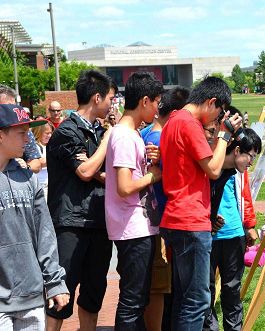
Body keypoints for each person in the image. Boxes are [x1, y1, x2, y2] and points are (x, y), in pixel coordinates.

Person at [160, 76, 242, 329]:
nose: (217, 122)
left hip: (175, 218)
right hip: (190, 222)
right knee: (197, 300)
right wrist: (225, 136)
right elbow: (214, 169)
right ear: (212, 102)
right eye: (218, 115)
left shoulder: (173, 120)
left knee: (183, 299)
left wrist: (218, 133)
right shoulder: (189, 124)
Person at [45, 70, 116, 331]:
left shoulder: (98, 131)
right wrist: (107, 142)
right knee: (61, 295)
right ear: (97, 97)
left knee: (93, 295)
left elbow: (105, 173)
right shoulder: (67, 131)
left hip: (99, 223)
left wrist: (97, 162)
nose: (112, 104)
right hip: (71, 224)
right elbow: (85, 172)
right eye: (110, 98)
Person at [0, 104, 70, 330]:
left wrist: (55, 282)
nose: (28, 139)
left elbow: (44, 232)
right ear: (1, 134)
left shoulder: (28, 177)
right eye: (21, 133)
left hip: (31, 296)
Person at [105, 72, 163, 330]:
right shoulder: (125, 136)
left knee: (137, 299)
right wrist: (153, 175)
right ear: (145, 101)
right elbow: (125, 186)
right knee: (132, 300)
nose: (158, 109)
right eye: (157, 102)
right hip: (132, 229)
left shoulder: (132, 135)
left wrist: (147, 161)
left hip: (137, 226)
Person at [204, 122, 262, 331]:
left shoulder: (237, 171)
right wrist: (209, 216)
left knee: (232, 290)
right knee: (206, 292)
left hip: (233, 234)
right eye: (251, 156)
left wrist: (249, 225)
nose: (251, 163)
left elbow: (245, 196)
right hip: (208, 237)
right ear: (237, 150)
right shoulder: (211, 164)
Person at [140, 86, 190, 331]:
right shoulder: (162, 137)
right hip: (166, 218)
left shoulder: (145, 133)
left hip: (151, 216)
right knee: (165, 285)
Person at [0, 84, 43, 173]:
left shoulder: (24, 131)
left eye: (14, 106)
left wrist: (24, 167)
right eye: (6, 107)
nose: (12, 111)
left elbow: (36, 163)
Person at [31, 121, 55, 199]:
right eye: (47, 133)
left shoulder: (51, 146)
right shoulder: (34, 147)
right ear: (39, 132)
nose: (50, 135)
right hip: (39, 186)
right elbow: (39, 162)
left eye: (51, 133)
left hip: (50, 185)